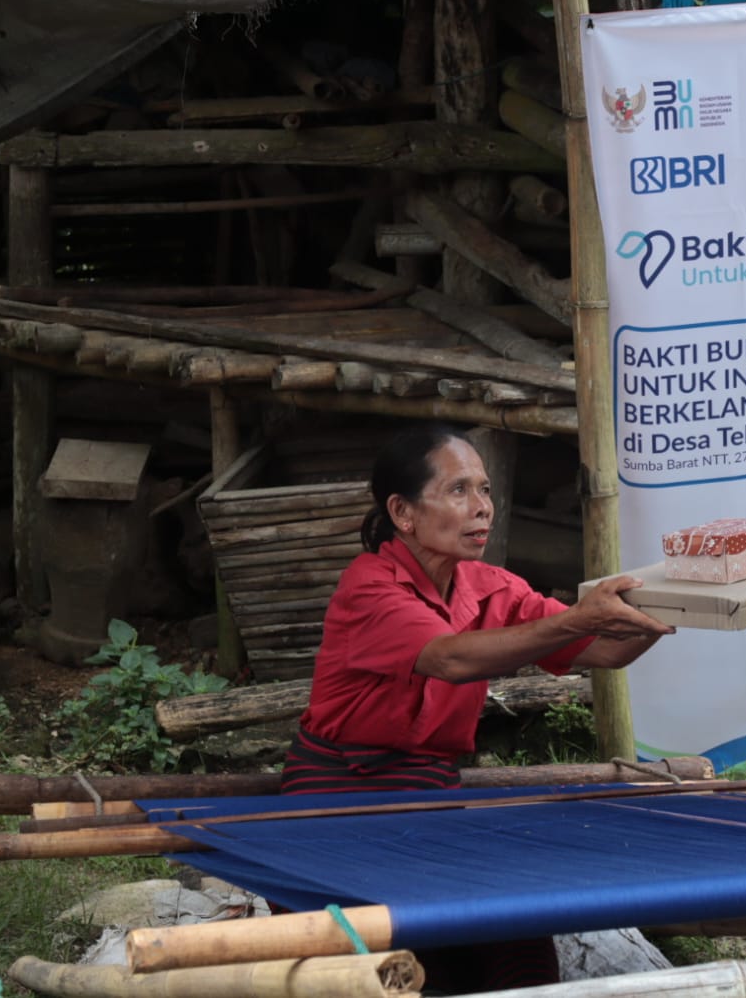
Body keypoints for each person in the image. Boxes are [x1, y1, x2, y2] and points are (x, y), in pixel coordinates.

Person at [281, 422, 674, 991]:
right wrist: (577, 616)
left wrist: (680, 607)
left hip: (428, 799)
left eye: (485, 490)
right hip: (335, 808)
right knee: (383, 961)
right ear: (403, 511)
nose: (482, 507)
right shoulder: (369, 587)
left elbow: (606, 649)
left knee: (513, 923)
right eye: (459, 490)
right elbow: (450, 658)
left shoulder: (489, 585)